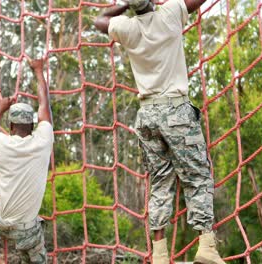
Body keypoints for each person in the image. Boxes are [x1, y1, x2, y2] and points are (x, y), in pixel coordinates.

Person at [94, 0, 225, 263]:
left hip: (147, 116)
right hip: (176, 111)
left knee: (160, 182)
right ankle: (206, 246)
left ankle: (160, 254)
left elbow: (99, 20)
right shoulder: (171, 12)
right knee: (197, 176)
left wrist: (125, 5)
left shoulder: (126, 27)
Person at [0, 58, 53, 264]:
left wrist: (1, 109)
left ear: (11, 127)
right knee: (35, 255)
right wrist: (39, 71)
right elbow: (44, 106)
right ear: (32, 126)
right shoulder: (43, 140)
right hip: (26, 230)